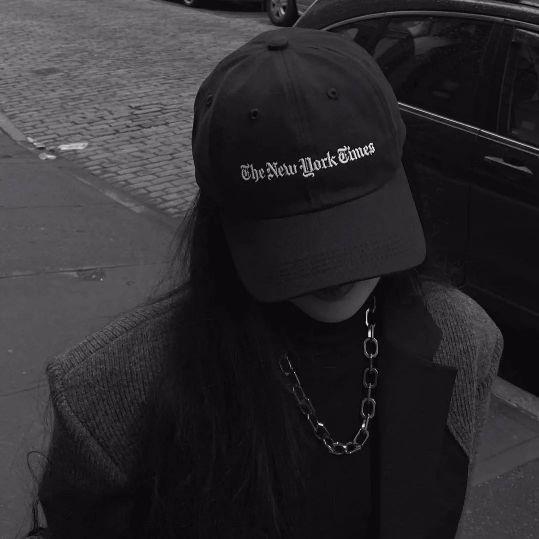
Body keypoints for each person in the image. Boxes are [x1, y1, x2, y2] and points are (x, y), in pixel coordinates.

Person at [27, 27, 504, 539]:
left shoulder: (466, 342)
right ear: (220, 222)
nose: (337, 271)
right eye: (297, 235)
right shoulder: (108, 397)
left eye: (354, 223)